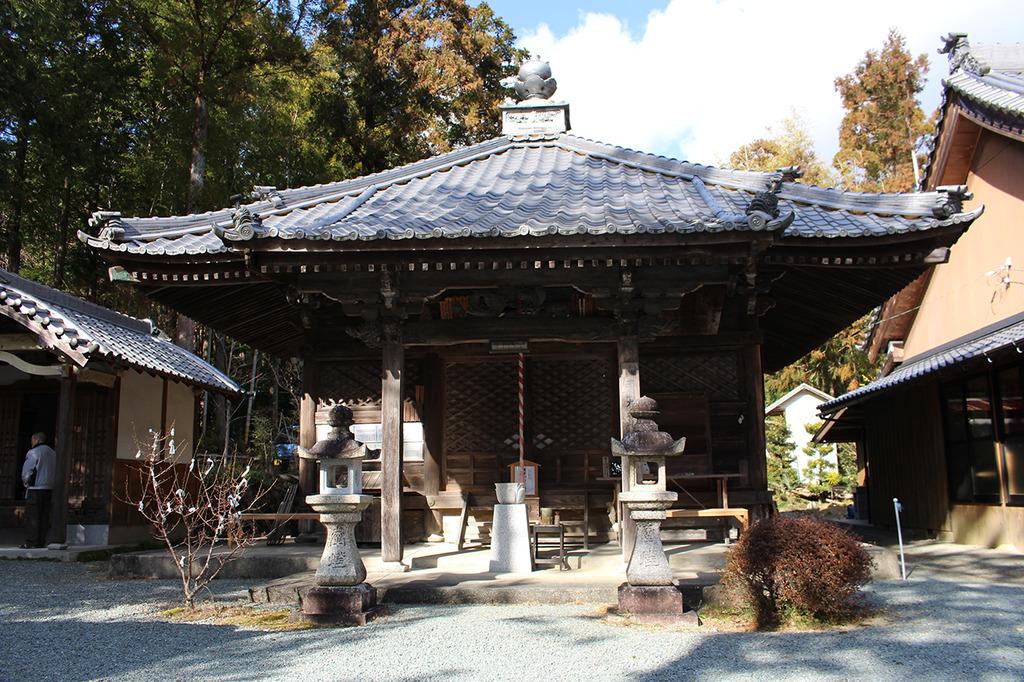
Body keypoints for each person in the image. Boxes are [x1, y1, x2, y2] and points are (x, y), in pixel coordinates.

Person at [21, 432, 56, 548]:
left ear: (36, 440)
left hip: (36, 488)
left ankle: (31, 542)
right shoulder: (53, 453)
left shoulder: (33, 452)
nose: (31, 443)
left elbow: (28, 470)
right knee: (44, 516)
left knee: (33, 516)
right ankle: (41, 541)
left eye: (32, 440)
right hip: (49, 488)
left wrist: (26, 482)